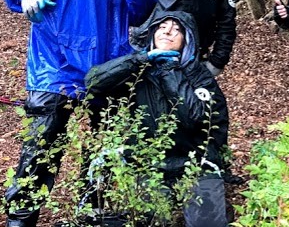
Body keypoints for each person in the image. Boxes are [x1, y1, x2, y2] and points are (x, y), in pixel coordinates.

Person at [0, 0, 158, 227]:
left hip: (107, 69)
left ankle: (92, 210)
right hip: (58, 67)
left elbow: (136, 18)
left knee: (104, 144)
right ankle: (20, 219)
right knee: (43, 143)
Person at [85, 10, 229, 180]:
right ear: (153, 33)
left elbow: (193, 118)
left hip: (195, 162)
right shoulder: (137, 68)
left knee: (207, 206)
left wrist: (170, 70)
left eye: (177, 29)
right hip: (148, 162)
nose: (168, 31)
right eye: (162, 27)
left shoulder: (199, 75)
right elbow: (93, 82)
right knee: (150, 204)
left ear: (187, 39)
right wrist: (140, 60)